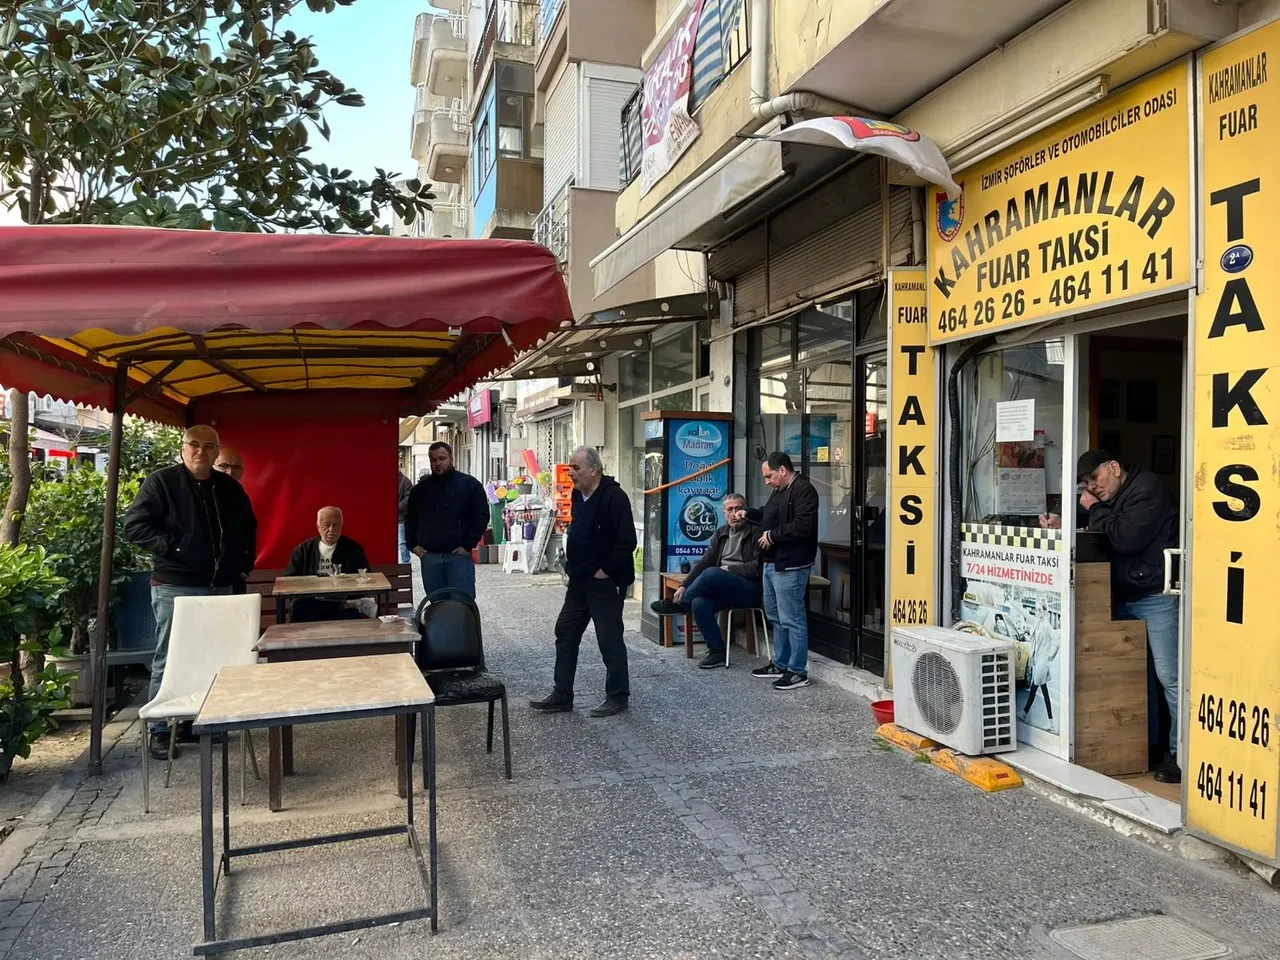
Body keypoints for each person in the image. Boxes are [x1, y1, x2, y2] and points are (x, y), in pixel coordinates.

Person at [123, 424, 257, 760]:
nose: (201, 451)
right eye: (194, 445)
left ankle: (200, 722)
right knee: (170, 657)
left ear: (216, 452)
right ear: (183, 448)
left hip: (221, 586)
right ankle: (160, 729)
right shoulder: (162, 482)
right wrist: (174, 547)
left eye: (209, 446)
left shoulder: (229, 488)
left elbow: (248, 529)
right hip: (175, 585)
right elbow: (134, 526)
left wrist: (243, 565)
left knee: (215, 658)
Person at [1065, 450, 1182, 783]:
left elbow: (1125, 537)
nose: (1092, 487)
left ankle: (1180, 754)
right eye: (1086, 483)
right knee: (1127, 676)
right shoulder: (1112, 496)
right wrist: (1064, 520)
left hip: (1155, 596)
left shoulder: (1148, 490)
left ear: (1114, 468)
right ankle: (1141, 748)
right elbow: (1094, 520)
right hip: (1121, 594)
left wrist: (1094, 509)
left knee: (1169, 676)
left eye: (1095, 479)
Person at [530, 446, 636, 717]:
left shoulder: (614, 497)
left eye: (576, 468)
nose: (571, 473)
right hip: (579, 580)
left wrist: (605, 571)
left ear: (594, 470)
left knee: (609, 640)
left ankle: (617, 697)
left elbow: (627, 541)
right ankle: (562, 694)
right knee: (565, 632)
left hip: (604, 581)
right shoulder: (578, 495)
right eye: (569, 467)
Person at [649, 493, 762, 669]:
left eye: (738, 508)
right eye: (730, 510)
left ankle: (679, 606)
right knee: (699, 603)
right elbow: (705, 562)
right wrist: (684, 586)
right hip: (724, 588)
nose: (734, 513)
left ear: (746, 511)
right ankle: (717, 651)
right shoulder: (721, 533)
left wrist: (730, 569)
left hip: (749, 588)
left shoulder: (755, 532)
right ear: (724, 513)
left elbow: (758, 567)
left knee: (713, 573)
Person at [747, 452, 819, 691]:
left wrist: (772, 536)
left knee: (792, 618)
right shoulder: (779, 491)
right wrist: (748, 514)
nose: (767, 481)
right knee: (776, 617)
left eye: (769, 476)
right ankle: (780, 663)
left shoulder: (803, 489)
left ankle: (798, 671)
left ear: (783, 470)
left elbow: (803, 526)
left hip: (791, 564)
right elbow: (770, 518)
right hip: (772, 562)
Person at [404, 442, 489, 599]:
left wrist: (468, 545)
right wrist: (413, 545)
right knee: (437, 608)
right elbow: (410, 519)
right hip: (430, 557)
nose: (438, 463)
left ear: (451, 458)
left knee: (463, 606)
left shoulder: (470, 485)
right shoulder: (420, 490)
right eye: (433, 460)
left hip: (458, 557)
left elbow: (481, 516)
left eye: (442, 458)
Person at [285, 506, 371, 622]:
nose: (331, 529)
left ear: (341, 526)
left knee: (348, 610)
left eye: (336, 525)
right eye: (326, 525)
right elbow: (290, 583)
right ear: (318, 526)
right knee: (300, 605)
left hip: (342, 598)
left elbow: (366, 577)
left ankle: (343, 605)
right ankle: (346, 605)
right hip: (312, 602)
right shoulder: (303, 551)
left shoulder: (354, 549)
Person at [397, 470, 413, 564]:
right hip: (395, 517)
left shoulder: (405, 481)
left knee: (402, 543)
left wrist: (396, 507)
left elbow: (408, 499)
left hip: (401, 518)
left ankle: (406, 563)